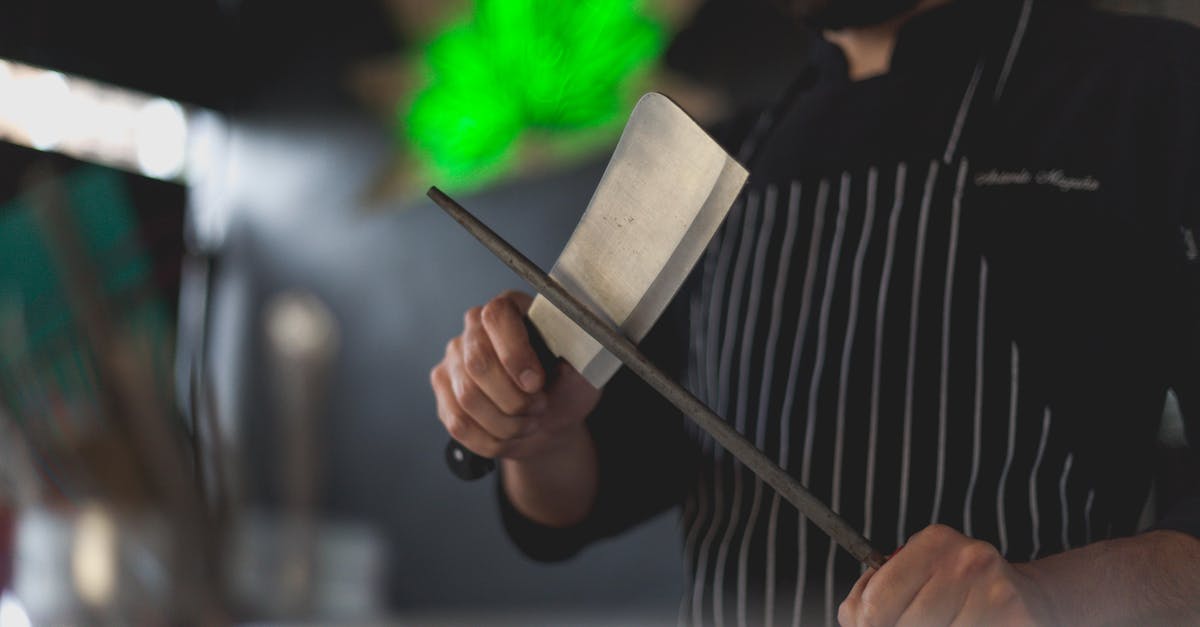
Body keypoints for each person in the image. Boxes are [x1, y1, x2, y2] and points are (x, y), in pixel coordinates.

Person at [429, 0, 1200, 624]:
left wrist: (1053, 595)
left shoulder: (1151, 87)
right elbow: (573, 502)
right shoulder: (710, 160)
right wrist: (537, 435)